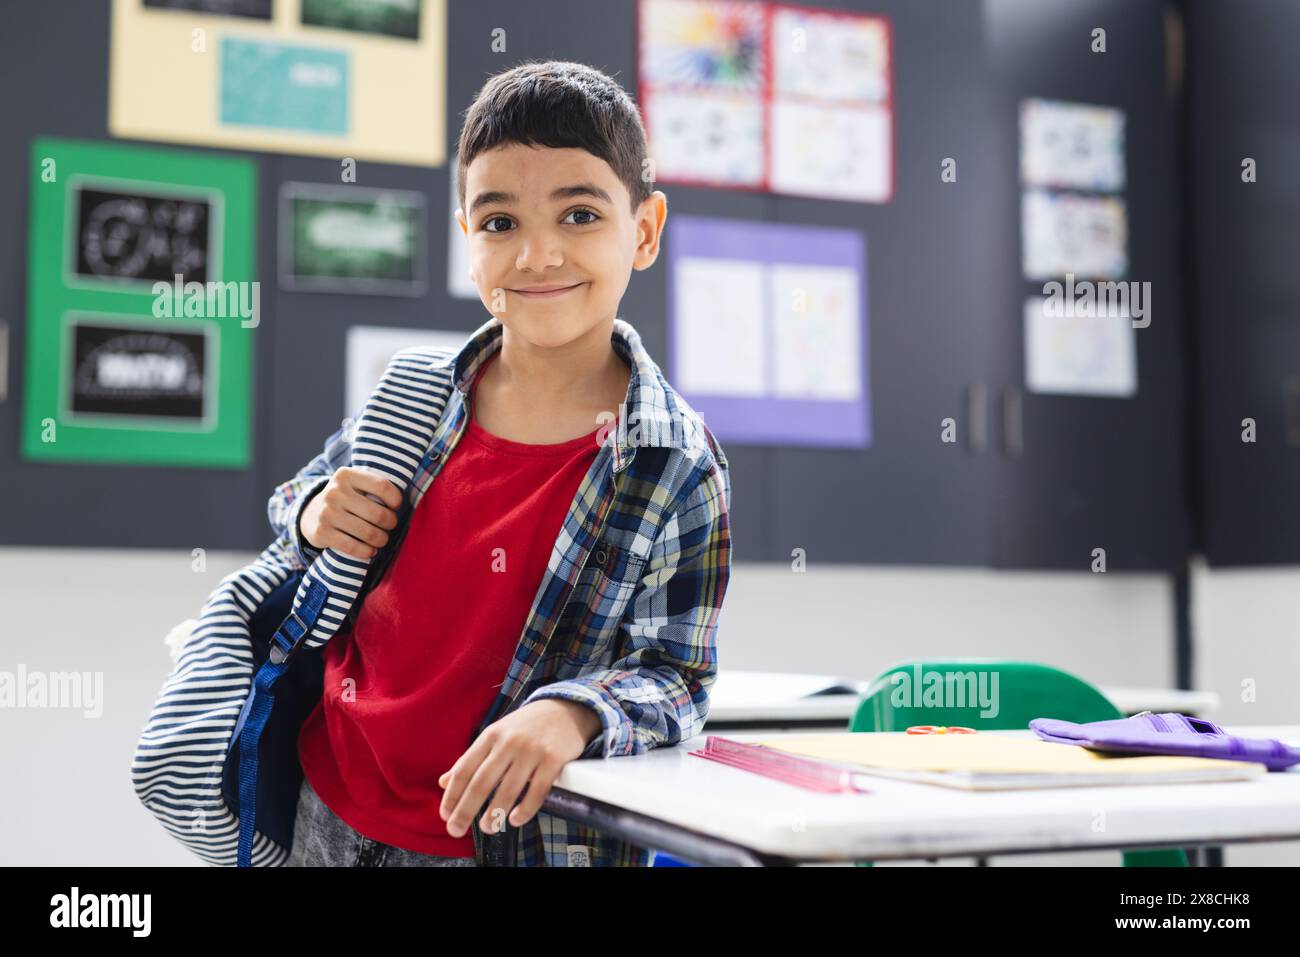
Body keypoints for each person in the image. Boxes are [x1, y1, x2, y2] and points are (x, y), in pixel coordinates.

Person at [269, 59, 732, 867]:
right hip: (330, 804)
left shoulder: (674, 461)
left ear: (646, 231)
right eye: (500, 223)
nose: (537, 255)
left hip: (508, 843)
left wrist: (575, 711)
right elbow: (298, 509)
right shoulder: (412, 393)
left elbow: (677, 675)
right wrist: (313, 511)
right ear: (467, 241)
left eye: (580, 214)